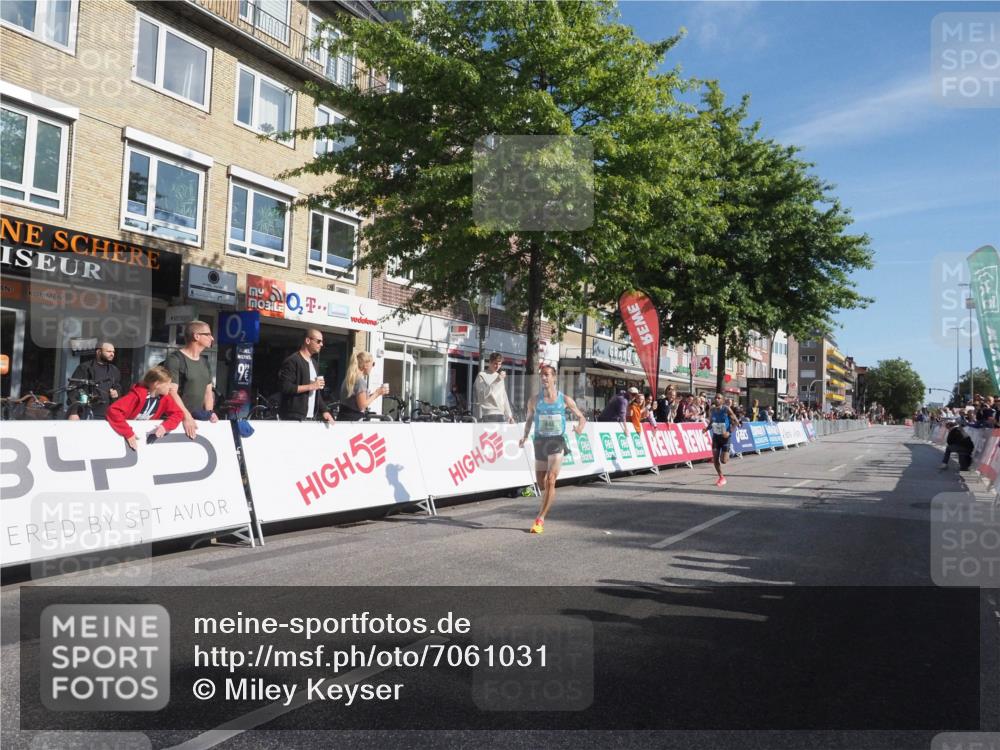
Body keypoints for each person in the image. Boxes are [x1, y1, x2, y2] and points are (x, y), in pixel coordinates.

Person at [519, 364, 587, 534]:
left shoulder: (564, 399)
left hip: (557, 440)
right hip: (540, 441)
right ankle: (547, 501)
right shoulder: (534, 400)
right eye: (541, 375)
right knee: (541, 482)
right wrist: (525, 435)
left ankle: (540, 519)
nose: (544, 378)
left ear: (554, 378)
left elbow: (581, 417)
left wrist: (579, 427)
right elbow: (528, 419)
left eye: (547, 375)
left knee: (550, 479)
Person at [105, 366, 184, 451]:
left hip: (142, 437)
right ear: (157, 384)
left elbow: (178, 413)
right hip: (123, 436)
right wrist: (128, 433)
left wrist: (166, 426)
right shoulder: (137, 395)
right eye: (168, 383)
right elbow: (113, 410)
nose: (171, 387)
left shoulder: (165, 398)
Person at [163, 321, 218, 439]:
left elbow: (208, 393)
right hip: (176, 421)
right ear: (196, 336)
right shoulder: (175, 359)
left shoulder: (205, 362)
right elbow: (171, 392)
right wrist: (186, 416)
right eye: (208, 334)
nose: (212, 338)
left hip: (196, 421)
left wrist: (210, 413)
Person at [278, 328, 335, 423]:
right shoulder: (293, 361)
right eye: (318, 341)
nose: (321, 344)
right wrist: (311, 386)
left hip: (311, 417)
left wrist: (324, 411)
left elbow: (316, 392)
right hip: (293, 417)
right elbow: (285, 387)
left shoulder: (314, 363)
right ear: (308, 340)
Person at [68, 341, 121, 420]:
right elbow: (72, 389)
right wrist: (74, 412)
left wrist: (117, 392)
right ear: (99, 352)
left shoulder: (114, 370)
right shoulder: (85, 367)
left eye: (113, 352)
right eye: (109, 351)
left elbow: (118, 387)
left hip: (107, 414)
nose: (112, 354)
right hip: (86, 412)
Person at [339, 351, 389, 421]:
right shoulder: (360, 381)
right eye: (373, 364)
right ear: (366, 365)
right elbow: (362, 406)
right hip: (353, 420)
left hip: (343, 418)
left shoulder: (349, 379)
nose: (372, 367)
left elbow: (357, 400)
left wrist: (376, 393)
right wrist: (377, 393)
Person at [705, 394, 739, 486]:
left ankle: (728, 451)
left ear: (722, 400)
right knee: (715, 459)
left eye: (719, 398)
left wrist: (729, 432)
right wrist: (706, 429)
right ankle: (721, 477)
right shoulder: (712, 410)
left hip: (725, 437)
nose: (716, 399)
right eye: (715, 398)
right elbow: (712, 422)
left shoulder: (726, 409)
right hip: (716, 437)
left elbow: (736, 422)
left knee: (723, 461)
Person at [474, 352, 514, 423]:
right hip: (489, 414)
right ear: (490, 362)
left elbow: (504, 397)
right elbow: (482, 395)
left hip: (501, 414)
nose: (497, 366)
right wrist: (496, 381)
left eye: (499, 364)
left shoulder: (499, 377)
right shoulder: (482, 375)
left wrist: (509, 416)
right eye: (495, 363)